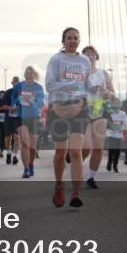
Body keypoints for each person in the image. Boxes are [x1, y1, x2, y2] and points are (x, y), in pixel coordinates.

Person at [45, 27, 91, 208]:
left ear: (79, 41)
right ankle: (59, 184)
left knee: (76, 152)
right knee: (60, 153)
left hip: (80, 108)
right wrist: (71, 86)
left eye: (75, 38)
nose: (72, 41)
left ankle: (76, 193)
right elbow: (49, 85)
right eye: (69, 38)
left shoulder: (84, 60)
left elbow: (88, 85)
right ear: (63, 41)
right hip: (59, 109)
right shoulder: (56, 59)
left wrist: (81, 100)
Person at [81, 45, 114, 189]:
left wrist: (105, 91)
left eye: (92, 53)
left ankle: (91, 177)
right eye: (86, 54)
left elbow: (112, 94)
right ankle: (77, 162)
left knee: (98, 148)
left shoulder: (103, 74)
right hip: (82, 112)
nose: (90, 56)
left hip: (100, 112)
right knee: (86, 146)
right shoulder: (79, 74)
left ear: (96, 56)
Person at [15, 66, 46, 178]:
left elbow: (41, 103)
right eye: (27, 72)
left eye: (30, 73)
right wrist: (14, 104)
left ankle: (31, 164)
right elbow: (13, 99)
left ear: (34, 75)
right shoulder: (19, 86)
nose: (28, 74)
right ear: (24, 74)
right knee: (24, 143)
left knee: (32, 147)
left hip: (34, 117)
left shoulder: (39, 88)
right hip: (21, 117)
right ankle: (26, 169)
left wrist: (31, 102)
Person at [105, 96, 127, 172]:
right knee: (111, 149)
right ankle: (109, 163)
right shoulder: (109, 113)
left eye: (118, 104)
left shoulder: (123, 114)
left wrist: (123, 127)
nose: (116, 105)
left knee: (117, 151)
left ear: (120, 105)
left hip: (119, 135)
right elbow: (106, 123)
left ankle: (115, 165)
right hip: (110, 134)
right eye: (115, 104)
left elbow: (126, 123)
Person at [4, 75, 22, 165]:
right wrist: (10, 107)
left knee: (17, 137)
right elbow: (2, 106)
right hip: (9, 117)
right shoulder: (7, 93)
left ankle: (15, 155)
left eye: (18, 82)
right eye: (15, 82)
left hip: (19, 118)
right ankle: (8, 153)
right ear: (12, 83)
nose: (16, 84)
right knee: (8, 137)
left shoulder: (22, 93)